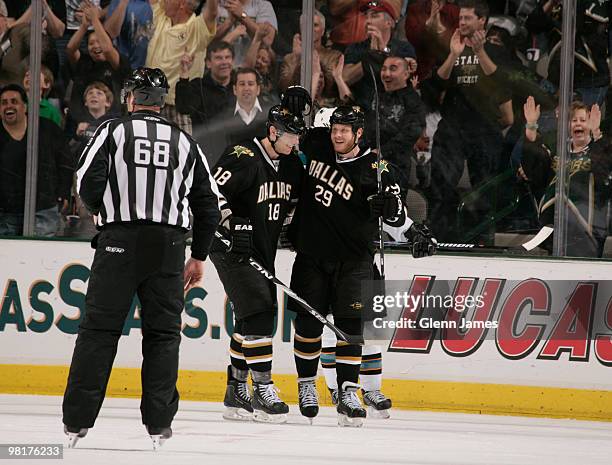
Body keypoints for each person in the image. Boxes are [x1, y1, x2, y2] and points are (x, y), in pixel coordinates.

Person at [62, 67, 222, 449]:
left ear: (130, 98)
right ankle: (159, 425)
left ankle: (77, 423)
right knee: (163, 336)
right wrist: (198, 254)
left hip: (118, 240)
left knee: (99, 332)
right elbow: (209, 205)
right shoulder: (185, 141)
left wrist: (107, 215)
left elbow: (86, 183)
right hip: (168, 247)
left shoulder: (112, 130)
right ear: (162, 101)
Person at [287, 105, 436, 426]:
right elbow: (285, 135)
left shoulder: (377, 168)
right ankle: (307, 385)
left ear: (358, 134)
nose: (337, 134)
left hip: (354, 260)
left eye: (344, 130)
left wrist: (401, 219)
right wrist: (291, 107)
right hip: (312, 256)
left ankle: (351, 391)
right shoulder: (316, 145)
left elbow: (396, 213)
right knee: (309, 327)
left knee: (353, 328)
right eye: (334, 128)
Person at [210, 102, 306, 424]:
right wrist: (229, 223)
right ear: (273, 132)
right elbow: (209, 192)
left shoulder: (291, 165)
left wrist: (292, 232)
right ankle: (262, 389)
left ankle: (236, 388)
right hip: (229, 247)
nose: (295, 142)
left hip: (262, 249)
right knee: (260, 312)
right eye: (290, 136)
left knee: (252, 318)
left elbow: (290, 205)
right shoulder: (243, 155)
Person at [518, 97, 611, 258]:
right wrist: (531, 127)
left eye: (583, 119)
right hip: (554, 228)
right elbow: (534, 173)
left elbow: (605, 176)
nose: (578, 123)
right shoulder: (558, 151)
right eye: (574, 120)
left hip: (587, 232)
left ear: (590, 123)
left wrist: (597, 133)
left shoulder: (598, 149)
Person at [0, 84, 73, 236]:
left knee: (41, 257)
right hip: (4, 213)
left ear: (25, 106)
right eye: (4, 102)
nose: (9, 106)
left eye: (14, 101)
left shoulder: (47, 128)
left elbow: (65, 162)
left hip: (44, 208)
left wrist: (64, 191)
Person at [145, 0, 218, 132]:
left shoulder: (196, 28)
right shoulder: (162, 17)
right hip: (151, 102)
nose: (163, 2)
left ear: (182, 4)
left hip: (178, 106)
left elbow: (212, 13)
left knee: (181, 150)